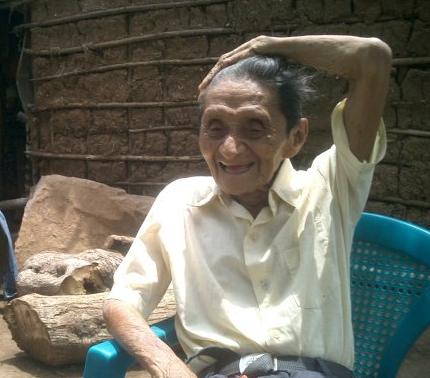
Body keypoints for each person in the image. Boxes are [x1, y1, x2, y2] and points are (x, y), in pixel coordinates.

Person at [104, 35, 392, 378]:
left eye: (255, 129)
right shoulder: (180, 202)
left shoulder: (330, 187)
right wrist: (165, 363)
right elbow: (122, 301)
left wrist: (268, 46)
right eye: (215, 128)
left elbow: (372, 58)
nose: (230, 150)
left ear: (295, 137)